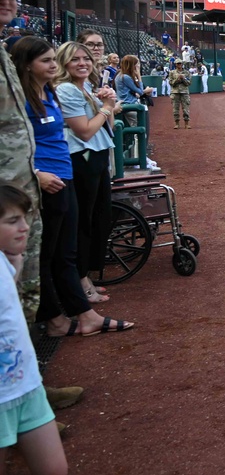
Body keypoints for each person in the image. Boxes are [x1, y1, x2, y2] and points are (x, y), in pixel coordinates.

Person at [14, 39, 135, 336]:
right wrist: (36, 172)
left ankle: (74, 314)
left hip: (64, 173)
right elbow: (81, 132)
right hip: (49, 178)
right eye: (47, 60)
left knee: (64, 249)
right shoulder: (25, 97)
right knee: (52, 252)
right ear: (28, 65)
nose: (53, 65)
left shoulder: (50, 92)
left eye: (55, 59)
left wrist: (104, 105)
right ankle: (64, 316)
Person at [0, 183, 69, 475]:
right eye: (13, 221)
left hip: (27, 385)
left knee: (55, 469)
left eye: (24, 219)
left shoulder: (8, 260)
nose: (25, 228)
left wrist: (14, 265)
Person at [53, 41, 123, 304]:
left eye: (86, 59)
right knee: (84, 220)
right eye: (75, 59)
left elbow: (109, 128)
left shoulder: (84, 89)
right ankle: (80, 279)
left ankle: (84, 275)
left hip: (95, 155)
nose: (82, 63)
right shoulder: (67, 89)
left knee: (98, 217)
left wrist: (107, 103)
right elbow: (84, 130)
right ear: (64, 63)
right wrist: (105, 108)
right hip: (81, 158)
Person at [0, 0, 42, 323]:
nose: (7, 1)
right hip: (3, 194)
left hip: (21, 187)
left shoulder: (3, 52)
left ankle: (28, 378)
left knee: (23, 283)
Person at [115, 55, 153, 147]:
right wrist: (139, 75)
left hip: (128, 104)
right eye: (137, 64)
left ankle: (141, 157)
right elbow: (140, 91)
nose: (138, 66)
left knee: (138, 132)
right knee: (139, 133)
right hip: (130, 106)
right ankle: (140, 157)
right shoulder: (125, 76)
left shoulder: (121, 75)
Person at [168, 61, 192, 128]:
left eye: (180, 63)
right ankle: (177, 123)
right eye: (178, 64)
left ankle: (186, 123)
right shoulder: (172, 72)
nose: (179, 65)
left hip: (184, 92)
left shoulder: (186, 72)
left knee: (186, 109)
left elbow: (189, 83)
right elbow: (171, 83)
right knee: (175, 109)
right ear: (175, 64)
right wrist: (177, 79)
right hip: (175, 92)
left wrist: (183, 79)